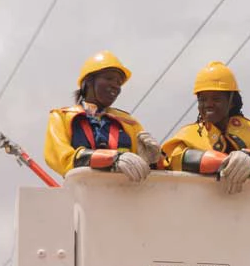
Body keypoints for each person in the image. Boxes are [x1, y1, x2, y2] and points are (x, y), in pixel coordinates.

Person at [161, 61, 250, 194]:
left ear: (231, 102)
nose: (208, 104)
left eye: (216, 99)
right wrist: (222, 162)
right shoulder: (189, 133)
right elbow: (174, 159)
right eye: (203, 100)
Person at [44, 50, 165, 182]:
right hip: (82, 194)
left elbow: (151, 170)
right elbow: (61, 159)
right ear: (88, 81)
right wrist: (112, 159)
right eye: (109, 78)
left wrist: (153, 161)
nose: (115, 85)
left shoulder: (130, 123)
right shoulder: (62, 117)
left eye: (119, 82)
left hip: (126, 194)